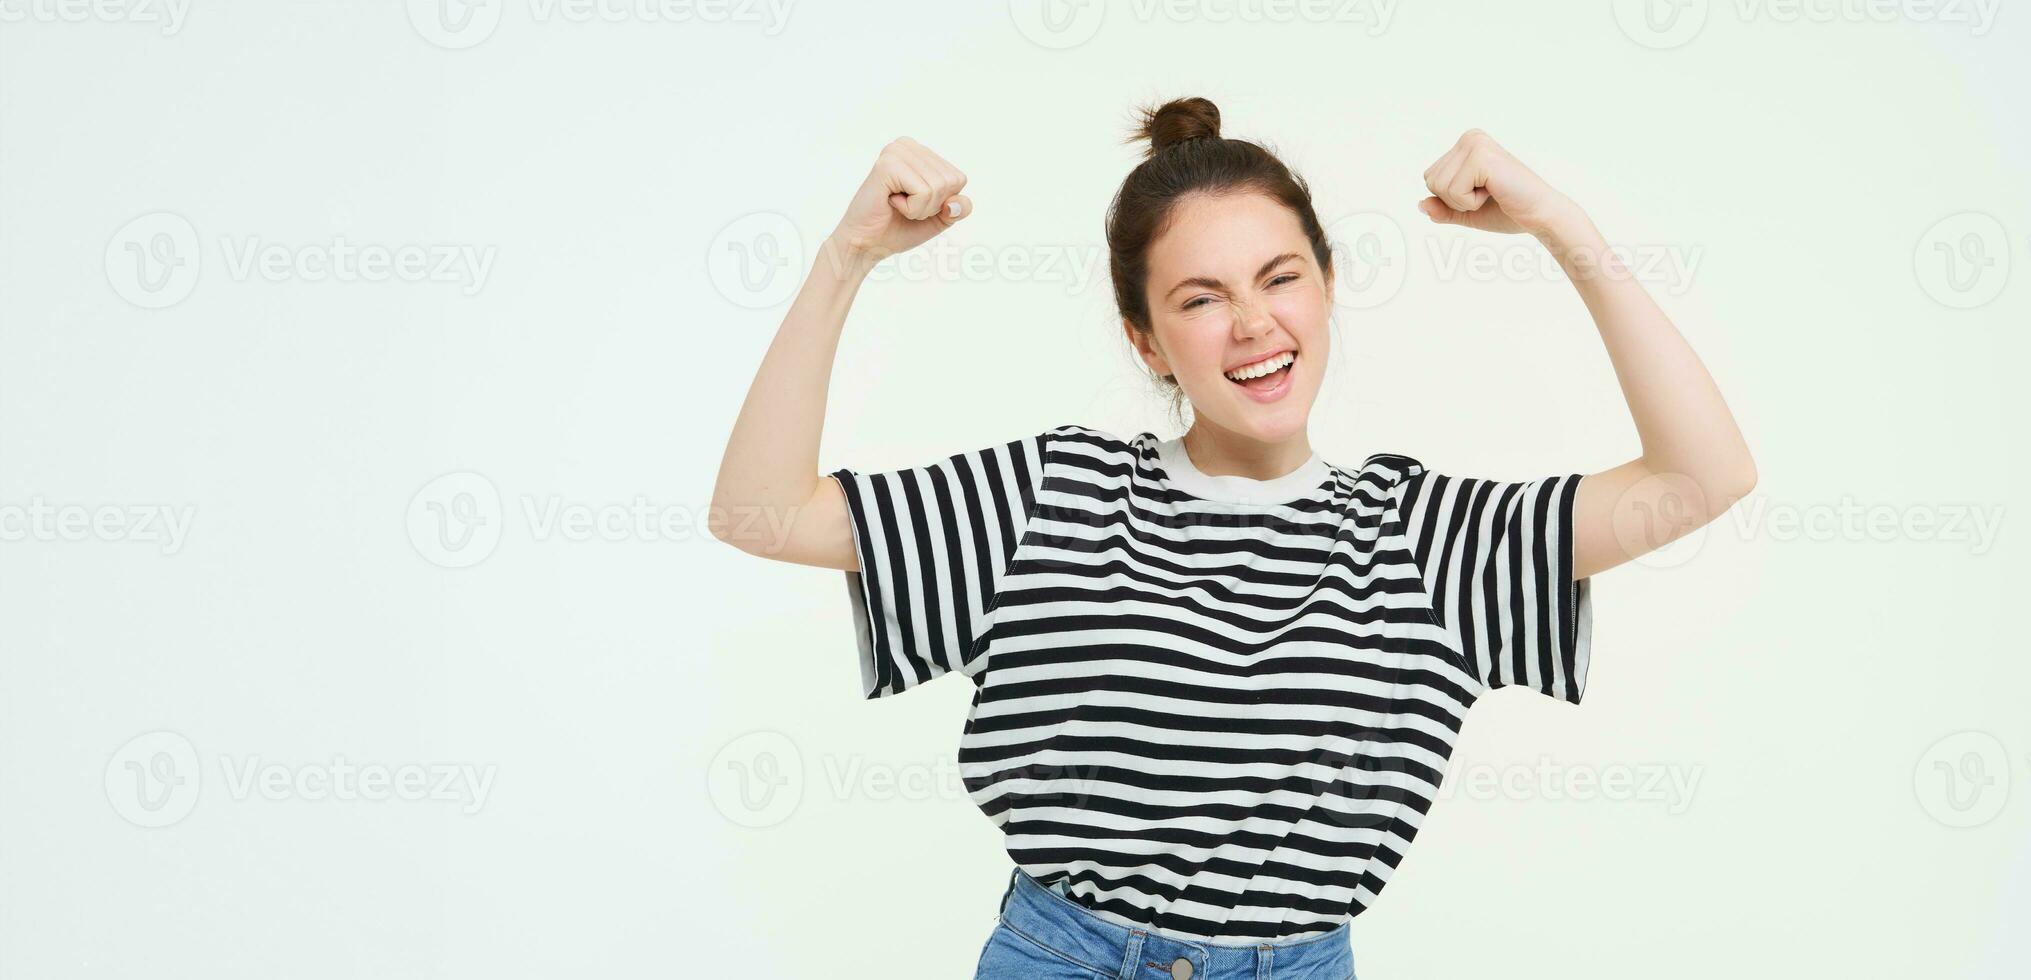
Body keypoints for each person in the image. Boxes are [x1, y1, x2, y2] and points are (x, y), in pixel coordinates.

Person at [709, 96, 1756, 979]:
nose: (1251, 321)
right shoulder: (1055, 494)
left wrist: (1559, 223)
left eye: (1279, 276)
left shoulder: (1425, 534)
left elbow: (1702, 475)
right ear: (1146, 340)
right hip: (1060, 952)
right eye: (1200, 298)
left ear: (1327, 286)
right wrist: (848, 254)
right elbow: (759, 509)